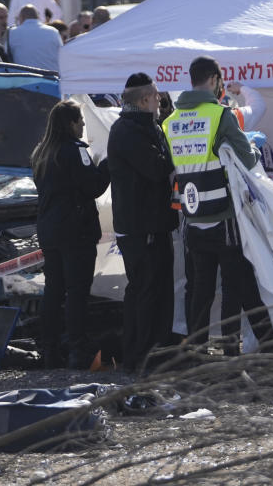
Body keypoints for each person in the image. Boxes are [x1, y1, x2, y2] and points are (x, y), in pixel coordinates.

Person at [163, 56, 273, 352]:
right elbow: (248, 160)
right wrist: (252, 144)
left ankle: (197, 354)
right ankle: (255, 349)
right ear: (214, 80)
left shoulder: (170, 123)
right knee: (240, 286)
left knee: (200, 291)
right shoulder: (220, 115)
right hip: (224, 217)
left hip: (192, 219)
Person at [107, 73, 177, 372]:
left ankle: (155, 351)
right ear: (144, 100)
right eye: (157, 96)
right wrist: (173, 148)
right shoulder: (128, 131)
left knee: (158, 289)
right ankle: (139, 355)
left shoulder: (141, 127)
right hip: (141, 225)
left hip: (152, 222)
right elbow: (156, 168)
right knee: (145, 290)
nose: (160, 101)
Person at [32, 100, 110, 369]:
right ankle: (77, 349)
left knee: (53, 291)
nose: (83, 127)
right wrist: (106, 165)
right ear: (70, 124)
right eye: (81, 122)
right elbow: (93, 186)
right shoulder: (76, 151)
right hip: (76, 231)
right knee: (77, 291)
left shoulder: (41, 153)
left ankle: (50, 350)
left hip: (49, 230)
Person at [7, 5, 63, 72]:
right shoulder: (53, 32)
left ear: (21, 17)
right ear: (38, 17)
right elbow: (62, 56)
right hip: (51, 80)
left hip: (24, 79)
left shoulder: (12, 33)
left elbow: (5, 56)